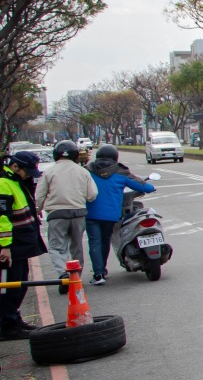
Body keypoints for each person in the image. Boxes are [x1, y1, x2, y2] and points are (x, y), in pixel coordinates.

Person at [86, 144, 155, 286]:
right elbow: (142, 186)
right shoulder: (120, 171)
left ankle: (98, 273)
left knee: (94, 241)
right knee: (105, 240)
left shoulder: (88, 170)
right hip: (111, 215)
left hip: (90, 213)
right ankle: (102, 270)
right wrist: (151, 187)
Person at [0, 151, 48, 340]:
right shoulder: (3, 183)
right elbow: (2, 218)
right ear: (14, 166)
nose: (28, 175)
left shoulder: (15, 181)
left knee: (20, 284)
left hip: (20, 245)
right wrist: (5, 246)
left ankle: (13, 318)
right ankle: (7, 324)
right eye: (26, 171)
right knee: (10, 287)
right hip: (11, 246)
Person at [35, 140, 98, 281]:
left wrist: (38, 209)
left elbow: (39, 195)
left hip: (56, 214)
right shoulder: (83, 172)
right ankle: (75, 277)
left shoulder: (49, 172)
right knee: (77, 246)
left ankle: (63, 273)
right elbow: (92, 194)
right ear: (75, 155)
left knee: (56, 246)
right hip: (78, 213)